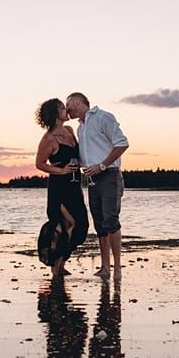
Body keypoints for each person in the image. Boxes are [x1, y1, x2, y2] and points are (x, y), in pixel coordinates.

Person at [64, 92, 129, 279]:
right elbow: (88, 154)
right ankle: (105, 268)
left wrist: (102, 165)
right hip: (92, 181)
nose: (67, 110)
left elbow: (122, 144)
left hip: (109, 176)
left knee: (110, 220)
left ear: (77, 102)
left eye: (68, 105)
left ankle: (117, 269)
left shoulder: (103, 117)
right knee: (100, 225)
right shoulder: (80, 128)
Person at [34, 98, 89, 277]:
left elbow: (78, 155)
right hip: (59, 187)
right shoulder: (48, 138)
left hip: (74, 185)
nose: (65, 109)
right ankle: (56, 265)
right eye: (61, 107)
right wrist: (61, 170)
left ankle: (59, 262)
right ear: (54, 113)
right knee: (68, 225)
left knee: (81, 228)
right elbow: (40, 164)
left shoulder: (69, 130)